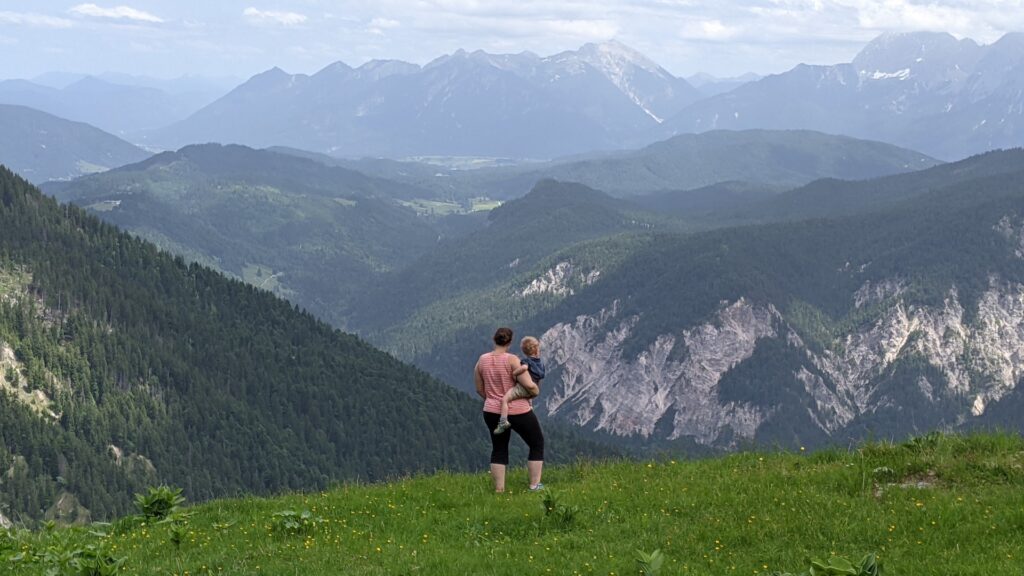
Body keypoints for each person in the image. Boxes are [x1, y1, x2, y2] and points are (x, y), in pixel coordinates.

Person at [475, 327, 545, 493]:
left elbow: (479, 388)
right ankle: (535, 485)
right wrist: (535, 392)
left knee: (499, 448)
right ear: (510, 342)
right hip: (518, 410)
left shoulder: (482, 360)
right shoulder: (512, 360)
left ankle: (499, 490)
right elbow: (528, 384)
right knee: (536, 443)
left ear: (494, 339)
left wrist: (492, 400)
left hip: (491, 411)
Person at [493, 336, 545, 435]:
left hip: (523, 388)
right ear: (537, 350)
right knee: (528, 397)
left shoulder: (526, 361)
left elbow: (524, 368)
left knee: (505, 399)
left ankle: (503, 422)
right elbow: (541, 375)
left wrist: (515, 373)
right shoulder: (541, 363)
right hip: (535, 388)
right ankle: (530, 407)